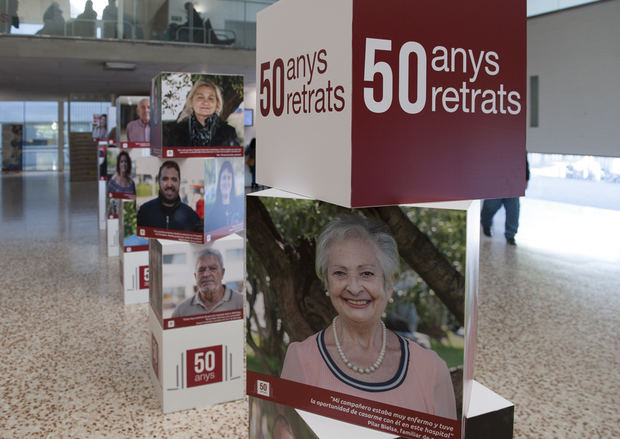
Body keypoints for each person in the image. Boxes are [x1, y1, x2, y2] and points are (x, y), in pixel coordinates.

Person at [280, 216, 457, 419]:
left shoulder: (432, 370)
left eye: (366, 273)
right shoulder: (301, 360)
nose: (354, 287)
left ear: (389, 284)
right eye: (339, 273)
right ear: (326, 283)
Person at [165, 79, 240, 147]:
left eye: (210, 98)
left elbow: (234, 161)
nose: (206, 102)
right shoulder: (176, 132)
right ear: (191, 102)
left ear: (217, 104)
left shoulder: (229, 133)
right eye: (200, 97)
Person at [171, 248, 243, 317]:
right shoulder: (181, 312)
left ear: (222, 273)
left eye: (212, 268)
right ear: (195, 276)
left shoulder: (241, 303)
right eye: (201, 270)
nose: (206, 274)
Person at [136, 161, 202, 232]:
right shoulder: (144, 212)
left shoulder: (191, 217)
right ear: (159, 181)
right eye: (165, 179)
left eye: (174, 179)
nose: (169, 185)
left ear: (179, 182)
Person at [481, 158, 530, 246]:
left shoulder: (517, 145)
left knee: (513, 210)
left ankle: (510, 235)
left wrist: (526, 178)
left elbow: (524, 161)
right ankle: (486, 224)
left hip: (513, 180)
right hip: (495, 180)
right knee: (490, 206)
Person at [204, 160, 243, 232]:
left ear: (232, 182)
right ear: (219, 182)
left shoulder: (239, 208)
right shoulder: (211, 216)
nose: (226, 181)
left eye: (229, 178)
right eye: (224, 178)